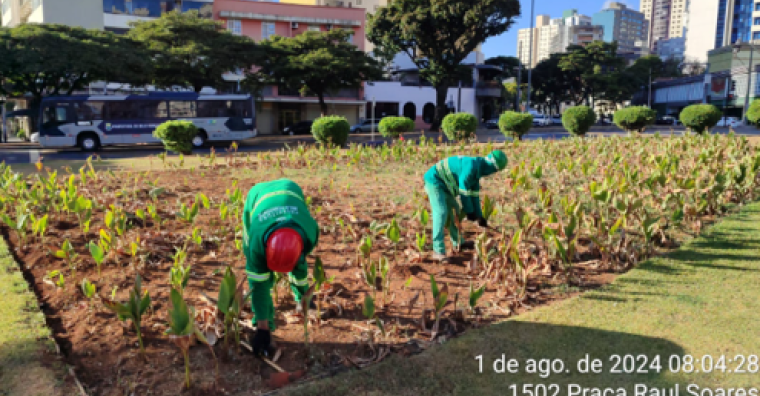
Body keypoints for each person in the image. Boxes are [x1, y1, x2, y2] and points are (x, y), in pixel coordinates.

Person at [242, 179, 319, 356]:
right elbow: (258, 286)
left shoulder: (310, 232)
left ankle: (301, 298)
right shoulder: (256, 242)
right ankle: (263, 321)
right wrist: (263, 330)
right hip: (257, 195)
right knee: (259, 276)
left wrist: (304, 297)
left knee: (299, 269)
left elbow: (300, 265)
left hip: (290, 188)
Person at [423, 150, 508, 262]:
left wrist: (479, 216)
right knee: (441, 212)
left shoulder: (476, 173)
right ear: (492, 167)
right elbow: (463, 192)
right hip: (434, 181)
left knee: (455, 211)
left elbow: (474, 197)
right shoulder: (471, 167)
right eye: (495, 170)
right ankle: (438, 251)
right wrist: (469, 211)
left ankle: (459, 243)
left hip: (445, 186)